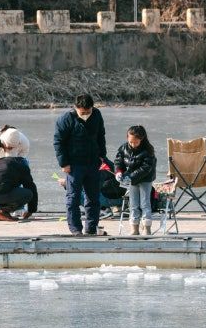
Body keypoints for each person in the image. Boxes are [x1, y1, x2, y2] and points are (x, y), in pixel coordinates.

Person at [54, 94, 106, 236]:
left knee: (93, 198)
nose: (86, 114)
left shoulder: (96, 115)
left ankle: (91, 228)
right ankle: (76, 229)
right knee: (73, 198)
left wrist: (102, 156)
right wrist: (64, 163)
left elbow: (101, 135)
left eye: (88, 111)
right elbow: (58, 142)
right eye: (83, 112)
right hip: (74, 165)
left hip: (93, 163)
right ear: (76, 108)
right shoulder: (66, 119)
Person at [114, 125, 157, 235]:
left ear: (141, 139)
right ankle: (134, 227)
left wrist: (131, 177)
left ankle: (147, 227)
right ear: (127, 138)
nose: (133, 144)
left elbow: (146, 168)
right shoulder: (123, 148)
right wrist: (118, 172)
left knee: (145, 203)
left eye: (136, 142)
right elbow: (118, 161)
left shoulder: (148, 150)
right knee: (133, 204)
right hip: (131, 180)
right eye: (131, 142)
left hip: (145, 179)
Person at [0, 156, 38, 221]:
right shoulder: (23, 167)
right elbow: (32, 188)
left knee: (0, 186)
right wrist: (31, 211)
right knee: (28, 194)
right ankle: (3, 212)